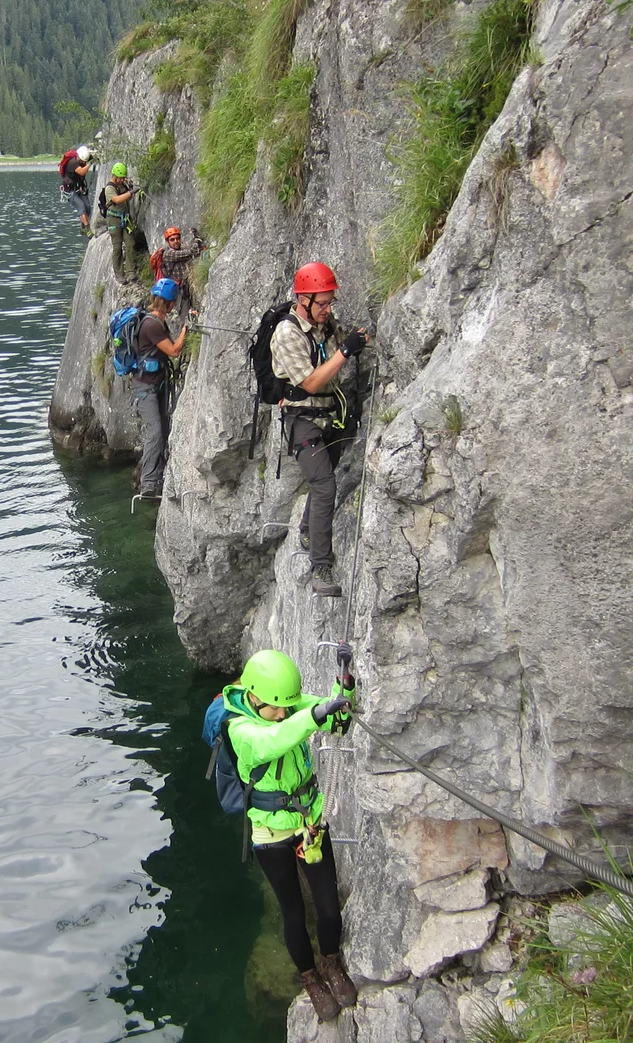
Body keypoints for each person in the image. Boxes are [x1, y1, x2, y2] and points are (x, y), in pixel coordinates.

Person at [224, 649, 358, 1022]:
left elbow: (331, 716)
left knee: (329, 907)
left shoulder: (288, 706)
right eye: (275, 708)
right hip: (269, 832)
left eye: (287, 706)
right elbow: (277, 739)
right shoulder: (240, 730)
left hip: (308, 822)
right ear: (253, 697)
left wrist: (342, 690)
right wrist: (311, 716)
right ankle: (310, 979)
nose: (283, 713)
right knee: (294, 911)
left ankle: (331, 963)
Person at [271, 262, 368, 597]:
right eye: (322, 303)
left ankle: (308, 528)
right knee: (325, 485)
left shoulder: (325, 325)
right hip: (302, 421)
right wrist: (344, 352)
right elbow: (311, 382)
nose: (328, 309)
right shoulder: (287, 334)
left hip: (332, 415)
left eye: (330, 303)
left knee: (323, 479)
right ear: (304, 300)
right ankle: (320, 567)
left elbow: (336, 354)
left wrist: (354, 341)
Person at [134, 277, 188, 499]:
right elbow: (174, 350)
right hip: (145, 386)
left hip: (157, 383)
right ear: (170, 303)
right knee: (155, 430)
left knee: (163, 428)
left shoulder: (157, 322)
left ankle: (157, 476)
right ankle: (147, 483)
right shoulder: (152, 325)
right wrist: (187, 328)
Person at [155, 227, 206, 328]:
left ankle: (191, 329)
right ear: (167, 242)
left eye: (177, 238)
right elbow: (190, 252)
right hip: (176, 291)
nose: (176, 241)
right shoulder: (169, 254)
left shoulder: (180, 249)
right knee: (183, 314)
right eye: (172, 239)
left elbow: (193, 253)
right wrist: (196, 239)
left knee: (190, 311)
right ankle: (185, 333)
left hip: (184, 286)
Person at [99, 162, 138, 280]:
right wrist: (130, 192)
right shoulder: (109, 188)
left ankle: (131, 272)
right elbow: (116, 199)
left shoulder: (123, 185)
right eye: (121, 178)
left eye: (123, 178)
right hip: (113, 220)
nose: (122, 180)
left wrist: (130, 189)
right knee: (117, 247)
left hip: (125, 219)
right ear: (115, 176)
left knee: (130, 244)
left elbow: (126, 197)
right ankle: (119, 274)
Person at [61, 145, 94, 234]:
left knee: (87, 206)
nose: (83, 162)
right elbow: (82, 172)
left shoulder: (82, 159)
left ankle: (83, 226)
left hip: (79, 187)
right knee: (81, 206)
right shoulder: (73, 163)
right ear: (78, 156)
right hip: (69, 190)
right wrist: (90, 164)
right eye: (83, 161)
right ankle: (88, 229)